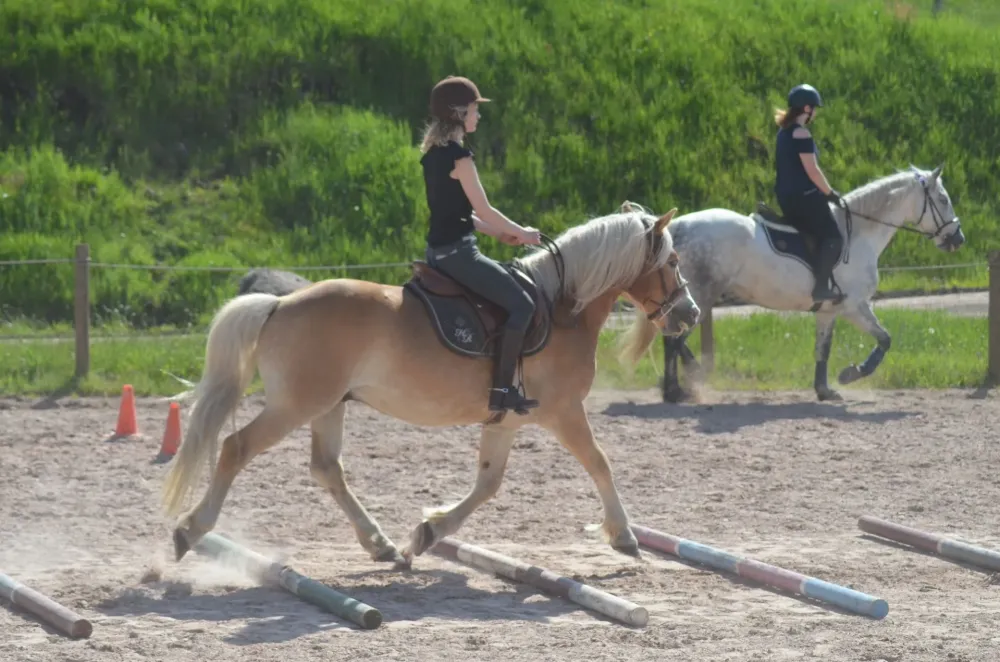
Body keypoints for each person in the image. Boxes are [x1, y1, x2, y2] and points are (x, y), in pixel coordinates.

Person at [419, 75, 543, 416]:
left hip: (438, 252)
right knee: (522, 304)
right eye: (474, 109)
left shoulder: (433, 155)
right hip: (460, 254)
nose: (478, 116)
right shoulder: (460, 157)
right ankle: (502, 390)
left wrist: (498, 234)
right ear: (459, 113)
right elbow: (484, 208)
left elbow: (459, 214)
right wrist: (525, 233)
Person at [773, 83, 846, 303]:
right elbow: (812, 170)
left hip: (785, 198)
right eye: (814, 108)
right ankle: (821, 288)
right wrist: (830, 193)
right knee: (833, 238)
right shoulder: (802, 134)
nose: (815, 112)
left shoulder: (783, 133)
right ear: (806, 109)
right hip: (804, 197)